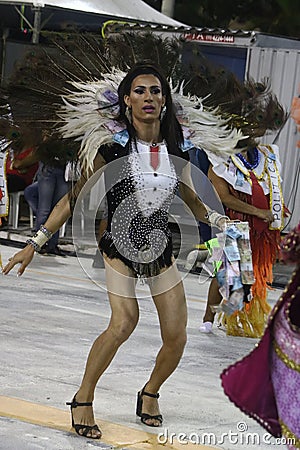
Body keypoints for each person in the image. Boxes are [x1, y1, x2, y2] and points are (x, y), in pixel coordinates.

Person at [3, 62, 231, 440]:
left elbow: (190, 198)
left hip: (160, 248)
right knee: (124, 320)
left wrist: (222, 223)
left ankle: (150, 393)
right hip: (120, 246)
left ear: (164, 100)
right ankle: (82, 398)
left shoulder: (178, 151)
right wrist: (34, 243)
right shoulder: (109, 150)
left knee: (177, 336)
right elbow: (72, 200)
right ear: (126, 100)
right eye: (140, 91)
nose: (148, 98)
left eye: (155, 91)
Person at [221, 221, 300, 448]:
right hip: (241, 232)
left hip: (255, 235)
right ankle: (215, 317)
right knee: (229, 277)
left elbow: (290, 249)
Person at [200, 144, 289, 337]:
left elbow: (271, 189)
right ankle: (208, 318)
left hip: (261, 227)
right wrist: (258, 212)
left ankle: (242, 318)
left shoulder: (266, 156)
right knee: (225, 272)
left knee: (252, 277)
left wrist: (276, 210)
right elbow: (224, 197)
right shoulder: (219, 159)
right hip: (232, 224)